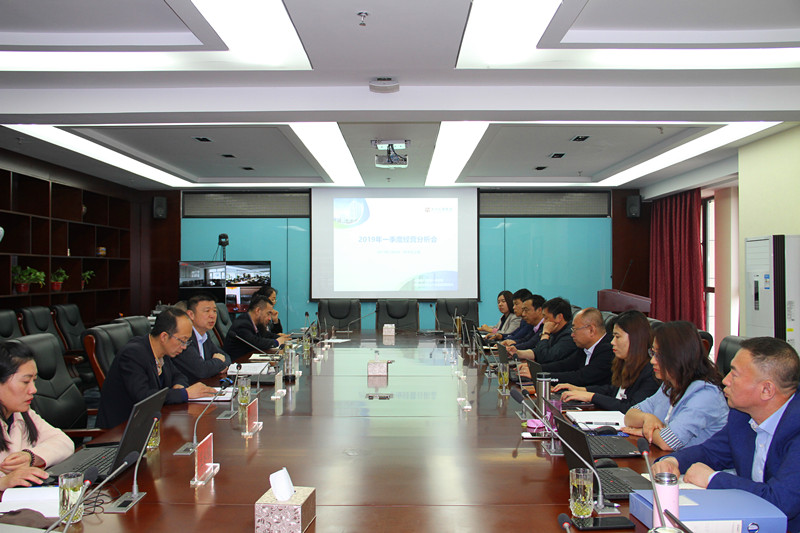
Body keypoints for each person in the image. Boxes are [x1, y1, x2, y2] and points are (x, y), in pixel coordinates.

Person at [653, 337, 800, 531]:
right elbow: (710, 452)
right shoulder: (741, 416)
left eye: (735, 374)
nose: (725, 380)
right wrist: (674, 461)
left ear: (766, 390)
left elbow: (781, 502)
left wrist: (713, 479)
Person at [97, 307, 217, 429]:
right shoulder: (133, 354)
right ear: (164, 336)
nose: (184, 347)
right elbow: (144, 397)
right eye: (182, 340)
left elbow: (179, 375)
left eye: (187, 341)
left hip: (150, 423)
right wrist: (184, 393)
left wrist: (179, 386)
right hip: (123, 430)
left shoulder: (162, 352)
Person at [623, 320, 728, 451]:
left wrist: (645, 431)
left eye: (659, 355)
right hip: (669, 459)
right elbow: (630, 415)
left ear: (679, 356)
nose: (652, 361)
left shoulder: (706, 394)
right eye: (653, 353)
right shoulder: (671, 384)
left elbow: (667, 442)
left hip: (698, 463)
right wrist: (647, 418)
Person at [0, 341, 74, 490]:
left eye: (34, 381)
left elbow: (65, 442)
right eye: (25, 381)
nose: (33, 389)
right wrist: (4, 482)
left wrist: (30, 456)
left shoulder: (22, 413)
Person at [555, 310, 660, 412]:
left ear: (635, 339)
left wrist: (591, 396)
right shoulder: (625, 363)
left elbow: (631, 408)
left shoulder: (651, 372)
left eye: (617, 337)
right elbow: (613, 391)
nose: (612, 342)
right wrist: (581, 390)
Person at [537, 307, 614, 387]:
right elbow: (564, 365)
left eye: (574, 329)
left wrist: (543, 377)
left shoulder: (609, 350)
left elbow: (581, 377)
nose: (572, 334)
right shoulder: (584, 347)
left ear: (591, 330)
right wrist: (538, 369)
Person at [173, 294, 230, 383]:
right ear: (191, 314)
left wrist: (217, 364)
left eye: (214, 311)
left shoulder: (205, 335)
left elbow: (226, 357)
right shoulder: (185, 338)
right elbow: (202, 370)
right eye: (207, 311)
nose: (212, 315)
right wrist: (218, 361)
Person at [508, 297, 576, 364]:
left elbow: (546, 357)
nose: (543, 322)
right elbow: (539, 351)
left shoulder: (569, 335)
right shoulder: (555, 331)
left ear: (559, 317)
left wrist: (545, 333)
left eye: (546, 318)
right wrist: (518, 353)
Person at [224, 294, 290, 359]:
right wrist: (277, 342)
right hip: (238, 362)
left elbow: (266, 334)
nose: (270, 318)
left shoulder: (255, 322)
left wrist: (282, 338)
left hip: (249, 358)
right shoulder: (242, 324)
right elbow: (256, 342)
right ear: (258, 311)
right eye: (268, 313)